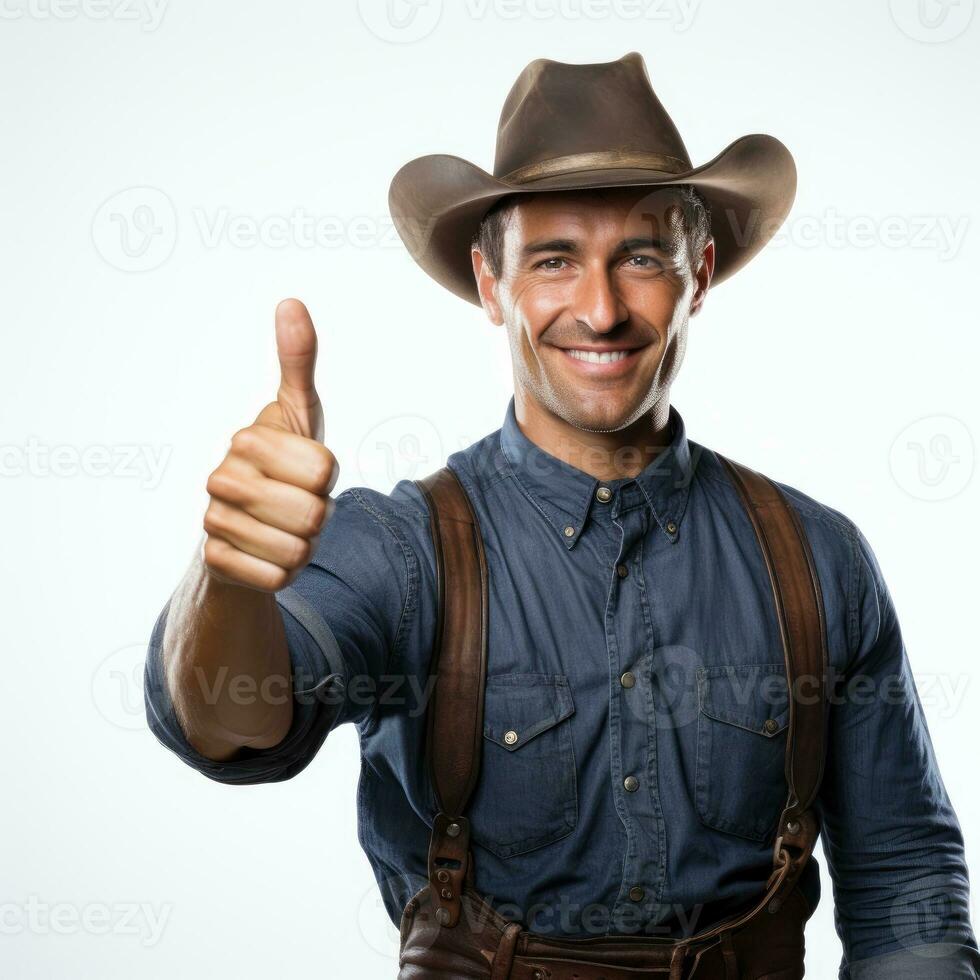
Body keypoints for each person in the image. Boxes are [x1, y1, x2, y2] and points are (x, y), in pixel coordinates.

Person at [144, 52, 979, 977]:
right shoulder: (403, 550)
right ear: (492, 283)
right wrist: (226, 573)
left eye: (641, 257)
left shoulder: (819, 559)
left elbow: (907, 885)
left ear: (698, 275)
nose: (602, 308)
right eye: (554, 261)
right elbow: (224, 725)